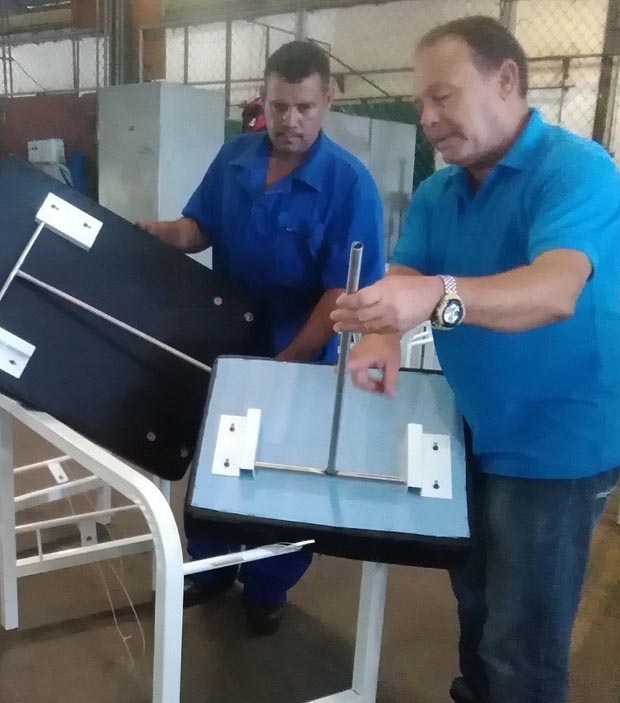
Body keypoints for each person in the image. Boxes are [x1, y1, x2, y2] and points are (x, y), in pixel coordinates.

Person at [331, 16, 620, 703]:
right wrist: (381, 333)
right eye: (420, 104)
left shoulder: (576, 171)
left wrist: (437, 296)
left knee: (522, 637)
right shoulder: (440, 191)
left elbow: (554, 290)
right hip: (470, 423)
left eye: (443, 97)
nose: (428, 120)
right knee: (474, 598)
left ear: (506, 79)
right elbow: (407, 271)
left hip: (557, 438)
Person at [137, 40, 385, 634]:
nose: (289, 120)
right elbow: (200, 227)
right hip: (227, 343)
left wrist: (286, 361)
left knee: (282, 475)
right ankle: (211, 567)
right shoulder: (235, 159)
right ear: (263, 99)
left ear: (328, 99)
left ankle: (268, 585)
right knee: (218, 459)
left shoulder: (349, 185)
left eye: (304, 107)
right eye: (278, 106)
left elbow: (341, 292)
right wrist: (160, 234)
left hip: (299, 351)